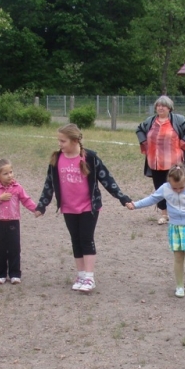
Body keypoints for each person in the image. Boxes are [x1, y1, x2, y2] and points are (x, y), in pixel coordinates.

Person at [34, 123, 131, 293]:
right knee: (76, 240)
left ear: (75, 140)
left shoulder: (90, 158)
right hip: (68, 207)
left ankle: (89, 277)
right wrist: (42, 204)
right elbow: (49, 184)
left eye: (63, 141)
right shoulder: (56, 159)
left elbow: (106, 179)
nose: (60, 144)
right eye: (59, 140)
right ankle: (80, 275)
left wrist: (122, 198)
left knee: (86, 239)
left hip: (88, 207)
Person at [127, 164, 185, 300]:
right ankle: (179, 286)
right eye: (174, 187)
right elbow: (152, 199)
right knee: (178, 258)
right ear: (169, 182)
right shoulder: (165, 188)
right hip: (175, 227)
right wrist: (135, 205)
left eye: (181, 188)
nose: (177, 190)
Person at [136, 95, 185, 225]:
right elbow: (139, 130)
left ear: (169, 108)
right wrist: (145, 143)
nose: (160, 108)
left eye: (163, 105)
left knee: (177, 186)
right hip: (155, 162)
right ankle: (164, 214)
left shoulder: (178, 120)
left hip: (173, 163)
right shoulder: (150, 121)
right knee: (160, 188)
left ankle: (180, 212)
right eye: (158, 105)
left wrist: (183, 142)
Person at [0, 159, 37, 285]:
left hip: (13, 222)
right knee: (0, 249)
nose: (10, 175)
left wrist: (36, 209)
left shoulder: (17, 187)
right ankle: (1, 274)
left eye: (11, 172)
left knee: (14, 248)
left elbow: (26, 200)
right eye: (6, 173)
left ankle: (15, 274)